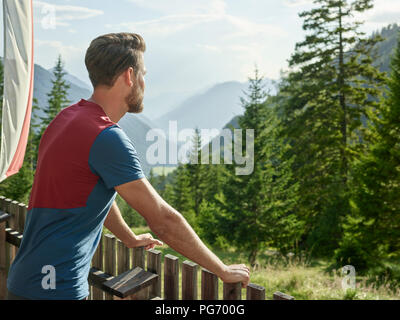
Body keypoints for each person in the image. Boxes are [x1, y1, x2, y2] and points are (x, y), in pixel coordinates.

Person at [6, 33, 250, 300]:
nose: (145, 83)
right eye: (143, 74)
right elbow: (163, 220)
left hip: (26, 280)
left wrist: (129, 237)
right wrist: (222, 269)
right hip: (53, 288)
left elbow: (91, 190)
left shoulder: (66, 119)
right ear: (129, 76)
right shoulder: (106, 136)